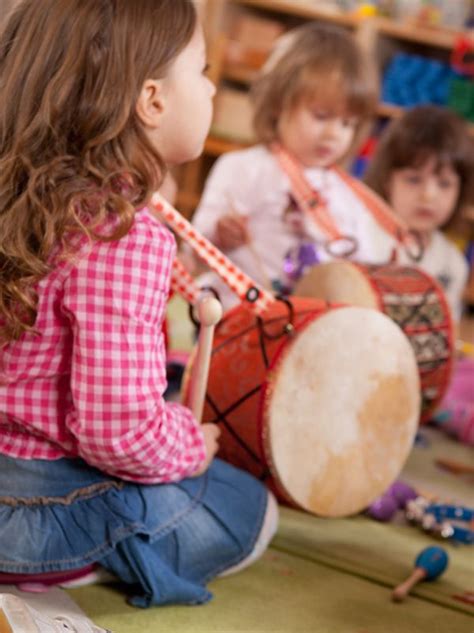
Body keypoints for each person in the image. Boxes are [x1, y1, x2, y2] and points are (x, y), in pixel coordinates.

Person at [0, 0, 277, 610]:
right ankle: (75, 564)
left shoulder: (17, 193)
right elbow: (117, 432)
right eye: (203, 72)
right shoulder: (121, 234)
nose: (209, 89)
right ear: (151, 101)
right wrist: (186, 442)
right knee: (249, 511)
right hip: (33, 512)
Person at [189, 22, 398, 308]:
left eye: (348, 123)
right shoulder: (242, 168)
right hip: (236, 318)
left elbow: (365, 265)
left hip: (307, 328)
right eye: (321, 116)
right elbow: (194, 247)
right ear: (278, 103)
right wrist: (219, 234)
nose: (334, 134)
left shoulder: (350, 195)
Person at [364, 105, 473, 321]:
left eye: (444, 184)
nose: (428, 196)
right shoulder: (363, 240)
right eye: (413, 179)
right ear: (387, 181)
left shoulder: (453, 263)